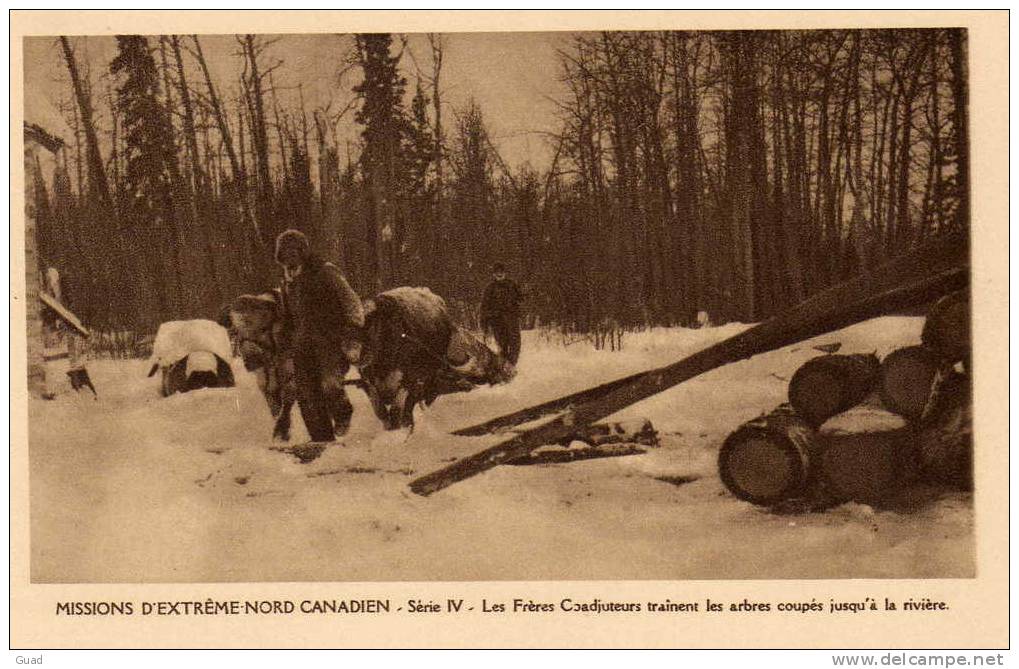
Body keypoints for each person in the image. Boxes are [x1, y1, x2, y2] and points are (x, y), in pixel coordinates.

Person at [275, 229, 365, 441]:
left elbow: (351, 301)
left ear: (303, 252)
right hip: (302, 346)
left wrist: (353, 331)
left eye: (294, 252)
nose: (290, 257)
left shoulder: (325, 272)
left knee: (329, 384)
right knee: (307, 395)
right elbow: (289, 316)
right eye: (285, 254)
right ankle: (322, 441)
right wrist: (285, 341)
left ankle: (343, 414)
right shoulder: (287, 282)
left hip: (330, 341)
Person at [480, 262, 523, 366]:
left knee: (515, 344)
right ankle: (503, 366)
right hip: (497, 321)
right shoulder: (489, 288)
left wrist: (517, 308)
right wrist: (484, 325)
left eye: (501, 272)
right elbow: (484, 307)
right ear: (493, 274)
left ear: (505, 273)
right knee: (502, 344)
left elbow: (521, 299)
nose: (499, 274)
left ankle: (512, 365)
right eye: (497, 272)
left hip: (512, 319)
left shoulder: (512, 285)